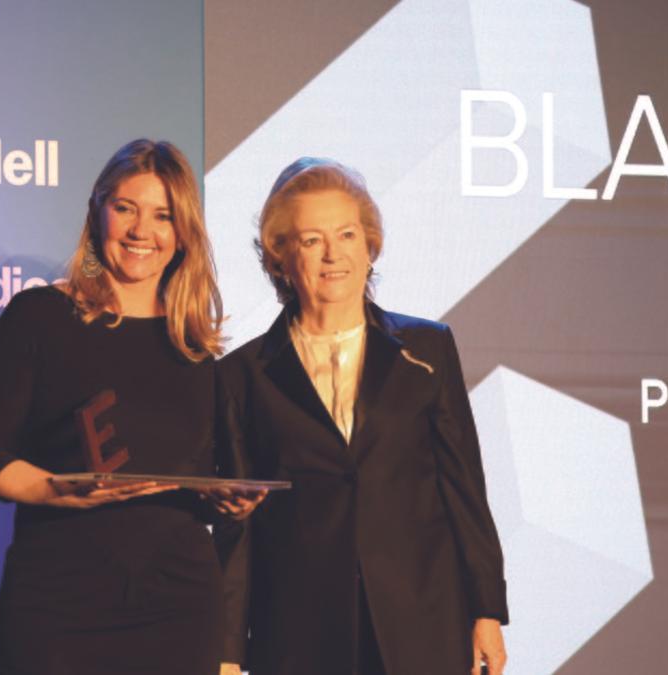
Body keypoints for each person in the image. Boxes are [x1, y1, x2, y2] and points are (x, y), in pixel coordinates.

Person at [217, 158, 509, 675]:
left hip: (422, 620)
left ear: (369, 247)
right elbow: (239, 526)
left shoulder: (426, 350)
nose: (333, 254)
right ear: (280, 257)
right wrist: (227, 651)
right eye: (310, 240)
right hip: (299, 631)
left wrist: (486, 609)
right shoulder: (243, 376)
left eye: (347, 234)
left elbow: (464, 488)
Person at [0, 139, 245, 674]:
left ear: (183, 231)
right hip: (59, 604)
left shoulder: (196, 346)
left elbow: (203, 478)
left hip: (180, 607)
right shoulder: (39, 318)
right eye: (126, 209)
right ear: (98, 212)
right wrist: (54, 490)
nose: (143, 232)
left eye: (163, 216)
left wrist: (230, 500)